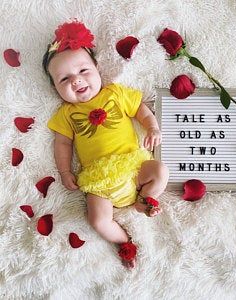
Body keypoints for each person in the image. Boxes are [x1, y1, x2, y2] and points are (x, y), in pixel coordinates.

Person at [43, 20, 169, 269]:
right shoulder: (66, 113)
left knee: (160, 171)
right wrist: (65, 172)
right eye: (64, 79)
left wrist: (152, 127)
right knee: (98, 221)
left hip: (133, 168)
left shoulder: (115, 93)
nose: (76, 81)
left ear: (97, 67)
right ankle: (124, 242)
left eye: (83, 71)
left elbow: (140, 110)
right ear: (55, 88)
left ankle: (145, 199)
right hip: (98, 181)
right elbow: (63, 144)